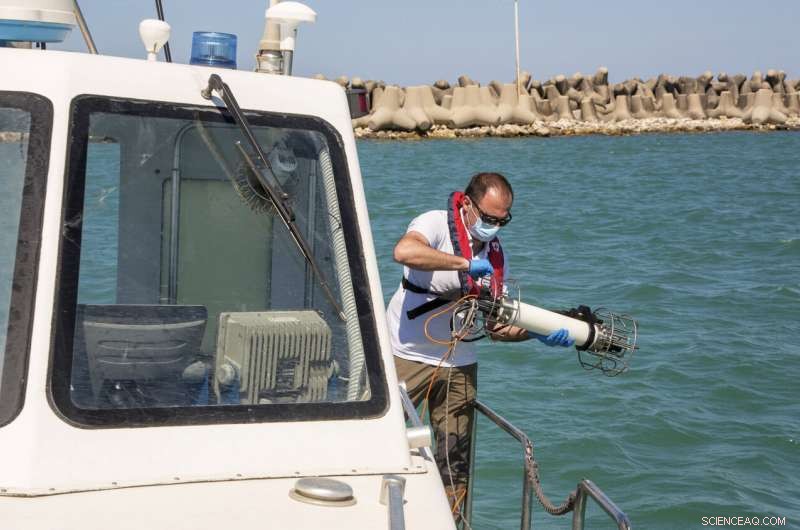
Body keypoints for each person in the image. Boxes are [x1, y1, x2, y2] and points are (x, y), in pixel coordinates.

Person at [386, 172, 574, 518]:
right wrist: (464, 263)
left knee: (454, 462)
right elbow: (404, 251)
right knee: (385, 443)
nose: (495, 227)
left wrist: (536, 334)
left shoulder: (496, 255)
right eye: (489, 218)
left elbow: (496, 328)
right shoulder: (435, 223)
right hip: (405, 354)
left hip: (460, 365)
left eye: (503, 220)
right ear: (468, 205)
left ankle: (448, 521)